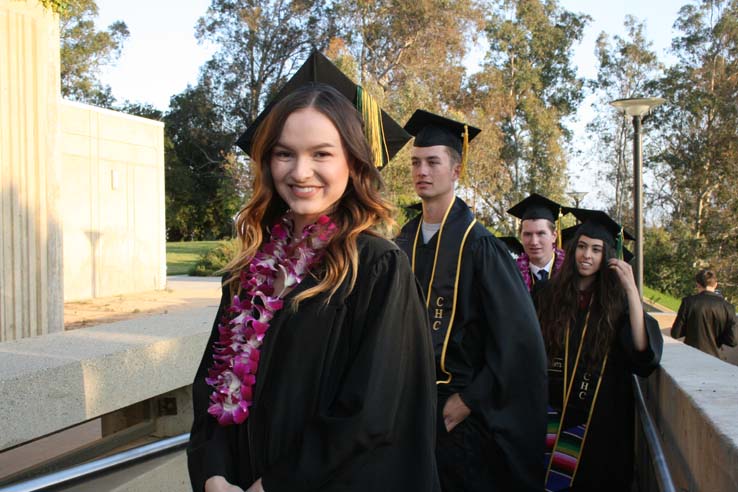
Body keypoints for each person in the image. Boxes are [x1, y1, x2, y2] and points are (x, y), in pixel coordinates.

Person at [187, 52, 440, 492]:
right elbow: (211, 387)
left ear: (353, 163)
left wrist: (276, 485)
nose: (300, 172)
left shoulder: (377, 269)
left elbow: (370, 415)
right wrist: (213, 475)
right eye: (285, 153)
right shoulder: (248, 274)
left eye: (321, 153)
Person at [395, 109, 548, 492]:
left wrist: (467, 401)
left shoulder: (481, 247)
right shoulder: (402, 242)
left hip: (458, 415)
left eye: (433, 162)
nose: (422, 171)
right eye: (416, 162)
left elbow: (519, 342)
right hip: (406, 406)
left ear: (456, 171)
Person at [534, 209, 663, 492]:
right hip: (553, 414)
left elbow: (643, 354)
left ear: (607, 256)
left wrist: (631, 290)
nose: (586, 255)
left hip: (603, 422)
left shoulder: (617, 302)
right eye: (581, 247)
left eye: (596, 249)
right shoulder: (548, 295)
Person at [671, 269, 737, 359]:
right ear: (715, 285)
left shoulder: (688, 302)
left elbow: (675, 333)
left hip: (690, 356)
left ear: (698, 284)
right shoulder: (728, 307)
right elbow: (732, 341)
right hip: (716, 360)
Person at [507, 194, 567, 292]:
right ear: (520, 236)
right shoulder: (510, 275)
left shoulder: (570, 271)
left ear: (554, 236)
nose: (534, 242)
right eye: (527, 234)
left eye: (541, 233)